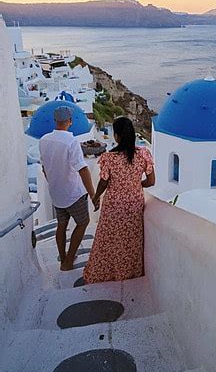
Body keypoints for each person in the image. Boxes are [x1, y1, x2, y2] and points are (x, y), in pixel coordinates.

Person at [83, 117, 155, 284]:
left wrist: (95, 197)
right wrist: (136, 185)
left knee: (108, 240)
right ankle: (129, 273)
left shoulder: (110, 158)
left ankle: (106, 273)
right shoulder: (143, 154)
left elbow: (104, 181)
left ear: (116, 136)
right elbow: (151, 182)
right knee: (130, 241)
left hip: (113, 205)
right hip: (134, 205)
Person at [39, 105, 96, 271]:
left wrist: (53, 182)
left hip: (56, 193)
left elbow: (44, 167)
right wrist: (92, 194)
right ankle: (68, 261)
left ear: (56, 120)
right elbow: (83, 169)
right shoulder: (71, 142)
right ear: (69, 121)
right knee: (83, 222)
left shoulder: (44, 140)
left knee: (61, 226)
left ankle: (63, 257)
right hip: (73, 194)